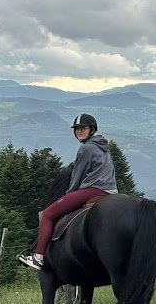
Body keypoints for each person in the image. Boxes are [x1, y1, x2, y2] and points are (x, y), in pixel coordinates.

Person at [17, 113, 118, 270]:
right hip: (110, 191)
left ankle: (38, 257)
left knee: (48, 214)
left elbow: (77, 177)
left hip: (92, 190)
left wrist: (69, 194)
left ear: (92, 129)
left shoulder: (86, 148)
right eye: (77, 129)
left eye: (82, 128)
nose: (79, 131)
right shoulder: (103, 146)